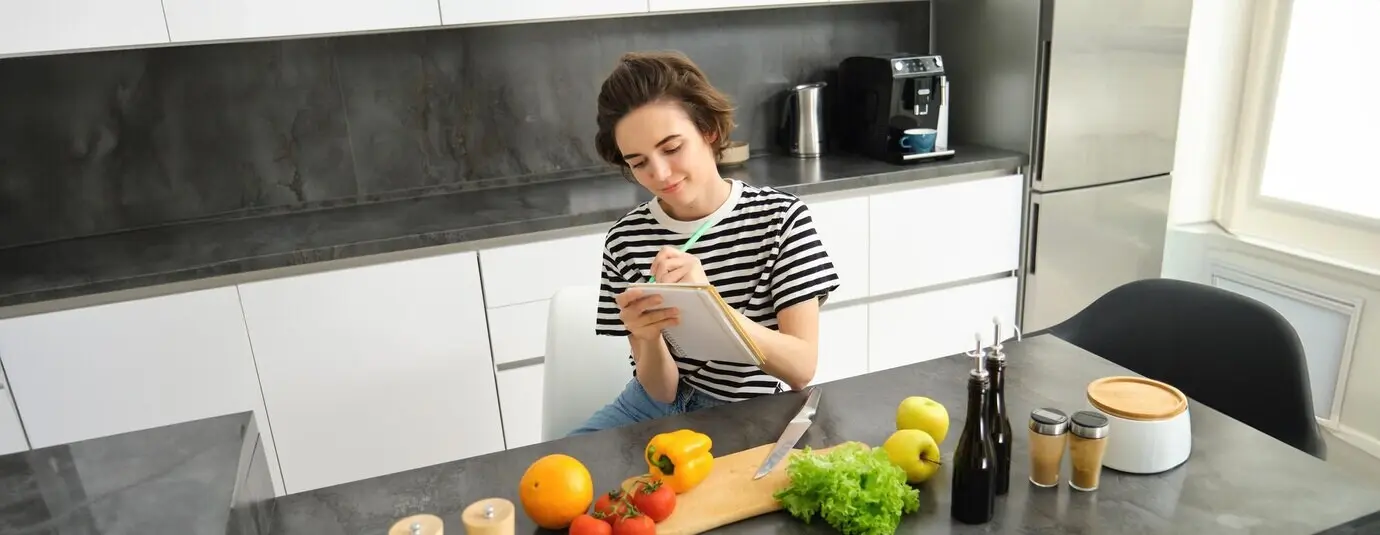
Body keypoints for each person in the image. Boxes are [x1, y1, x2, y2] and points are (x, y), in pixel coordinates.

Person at [569, 50, 840, 435]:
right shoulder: (626, 239)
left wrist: (711, 305)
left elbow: (800, 368)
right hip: (648, 407)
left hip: (749, 411)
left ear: (709, 130)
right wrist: (647, 339)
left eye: (672, 148)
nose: (659, 174)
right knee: (555, 480)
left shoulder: (781, 219)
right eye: (638, 161)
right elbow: (660, 392)